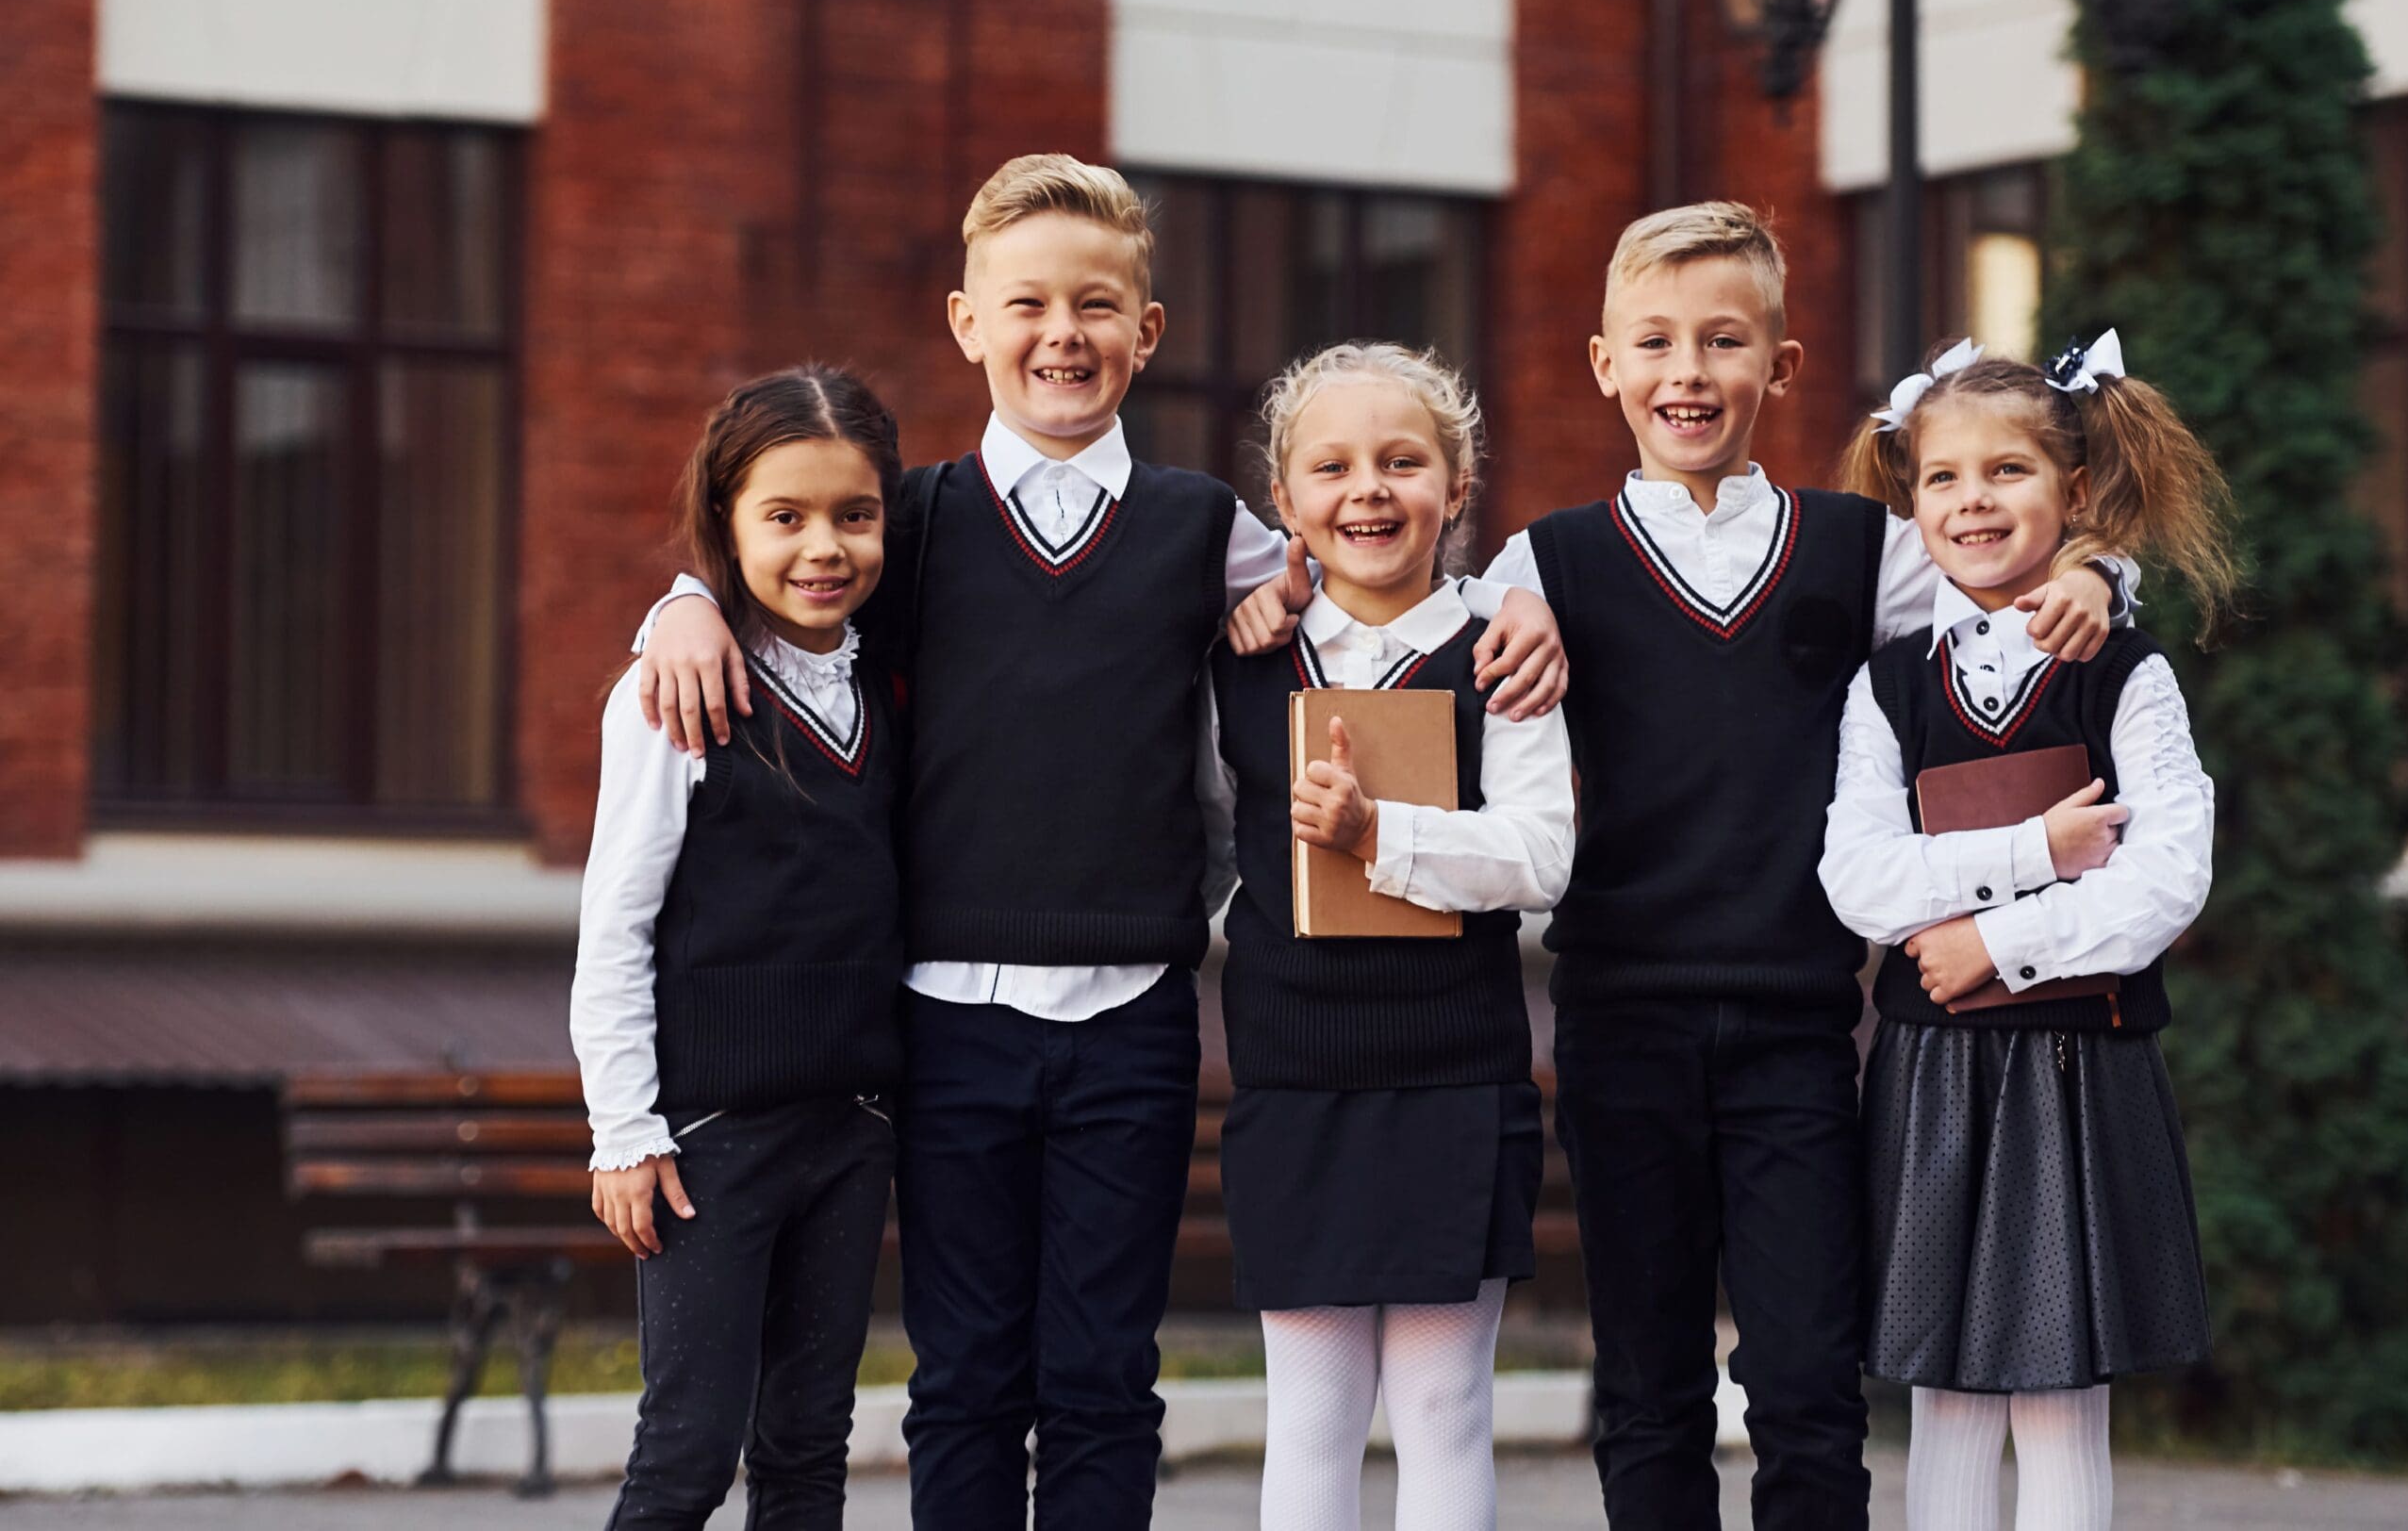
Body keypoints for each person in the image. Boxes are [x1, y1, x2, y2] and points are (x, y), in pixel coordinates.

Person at [626, 154, 1570, 1529]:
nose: (1061, 333)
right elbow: (787, 582)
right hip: (945, 1024)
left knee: (1102, 1382)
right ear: (968, 323)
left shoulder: (1208, 531)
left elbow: (1372, 567)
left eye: (1095, 305)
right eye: (1027, 305)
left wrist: (1526, 597)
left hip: (1131, 1021)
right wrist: (680, 603)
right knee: (962, 1381)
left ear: (1149, 331)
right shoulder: (917, 525)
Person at [1226, 201, 2135, 1530]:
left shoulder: (1864, 551)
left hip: (1799, 1026)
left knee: (1809, 1383)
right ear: (1605, 365)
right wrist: (1297, 583)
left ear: (1783, 366)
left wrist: (2104, 571)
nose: (1688, 372)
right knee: (1646, 1386)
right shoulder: (1547, 565)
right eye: (1654, 342)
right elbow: (1407, 604)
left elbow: (2009, 579)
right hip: (1620, 1020)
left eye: (1723, 341)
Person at [1821, 331, 2235, 1531]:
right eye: (1943, 477)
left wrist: (1992, 946)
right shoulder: (1888, 684)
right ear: (1912, 499)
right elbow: (1859, 876)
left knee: (2058, 1397)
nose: (1972, 500)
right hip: (1934, 1070)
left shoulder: (2126, 672)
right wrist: (2030, 855)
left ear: (2073, 492)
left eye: (2007, 471)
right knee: (1945, 1394)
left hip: (2077, 1067)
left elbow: (2167, 879)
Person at [1203, 343, 1575, 1530]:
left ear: (1456, 489)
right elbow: (1205, 833)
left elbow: (1540, 853)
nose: (1369, 488)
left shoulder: (1506, 654)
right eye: (1334, 465)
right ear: (1286, 498)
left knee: (1444, 1404)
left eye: (1403, 461)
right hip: (1293, 1069)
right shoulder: (1239, 659)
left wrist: (1383, 835)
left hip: (1452, 1071)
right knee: (1310, 1413)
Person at [571, 365, 908, 1530]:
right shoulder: (676, 692)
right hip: (708, 1142)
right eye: (785, 517)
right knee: (686, 1452)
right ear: (726, 521)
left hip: (851, 1128)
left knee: (809, 1446)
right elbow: (614, 924)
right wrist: (623, 1130)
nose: (824, 547)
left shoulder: (892, 687)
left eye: (854, 515)